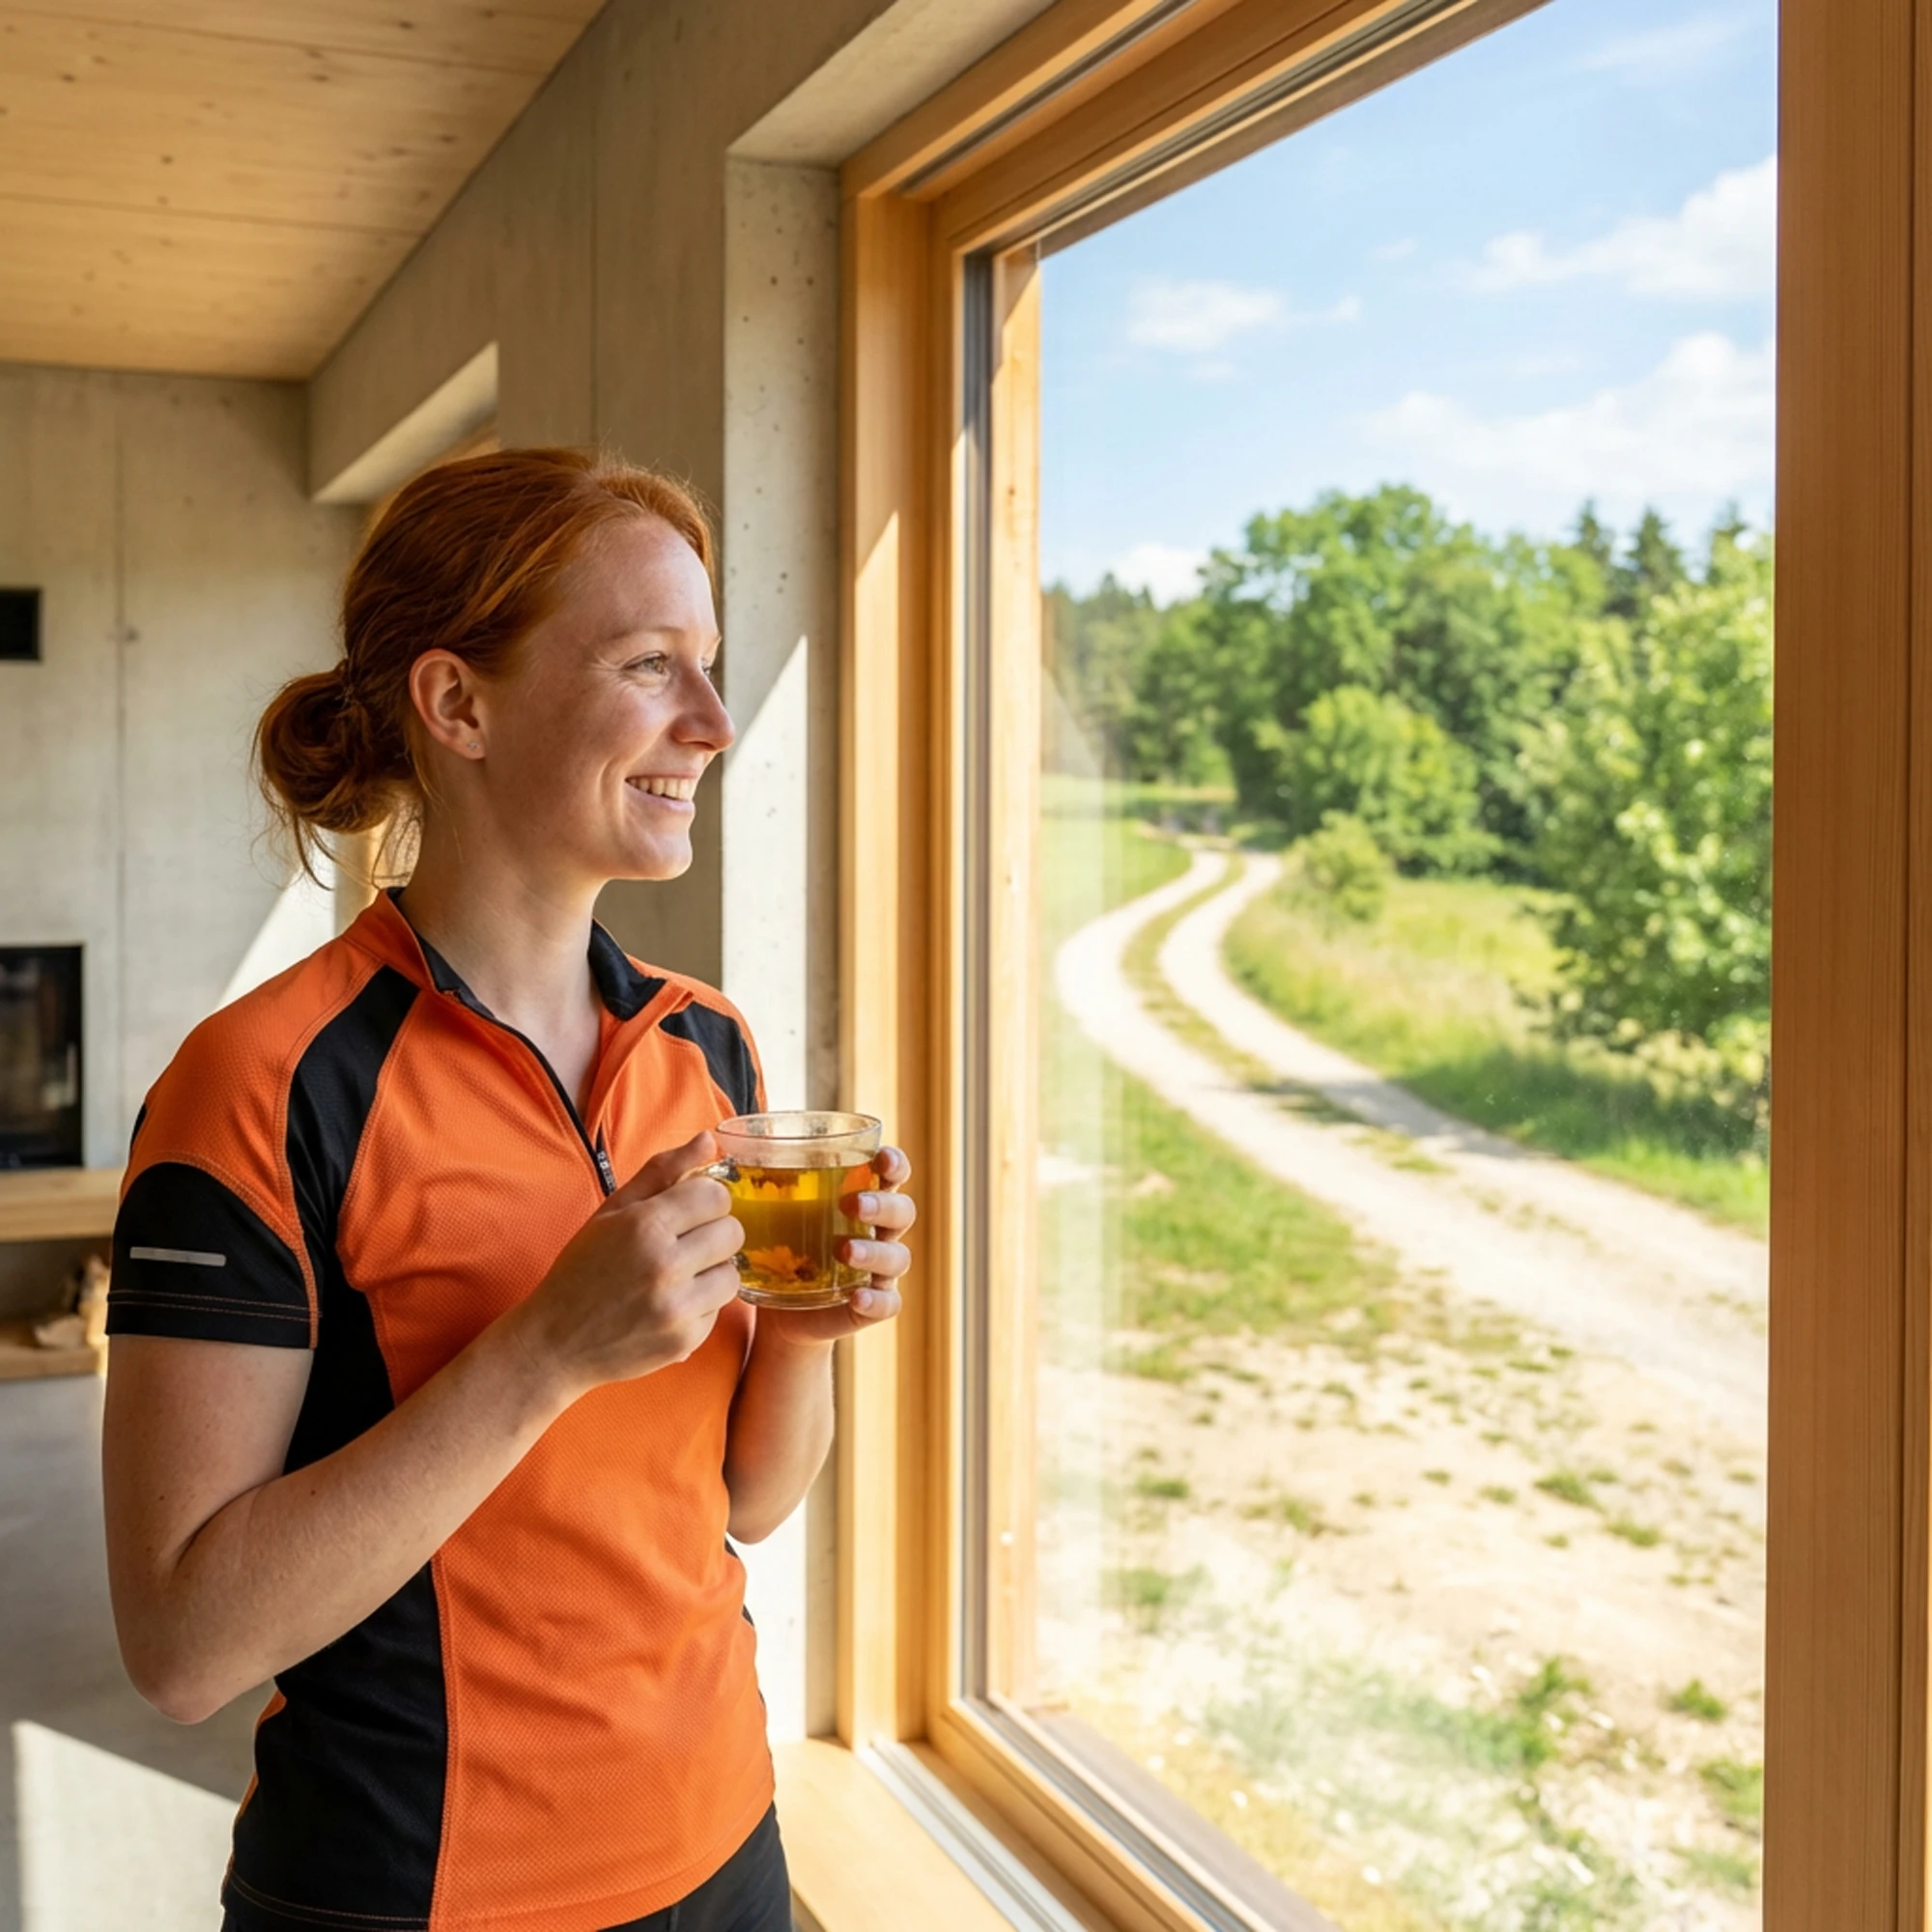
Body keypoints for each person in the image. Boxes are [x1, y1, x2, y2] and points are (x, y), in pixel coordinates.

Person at [99, 447, 915, 1932]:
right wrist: (544, 1350)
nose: (714, 724)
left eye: (712, 667)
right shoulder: (263, 1084)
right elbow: (181, 1642)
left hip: (726, 1843)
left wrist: (803, 1332)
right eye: (649, 664)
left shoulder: (709, 1042)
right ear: (458, 704)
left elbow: (740, 1501)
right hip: (422, 1893)